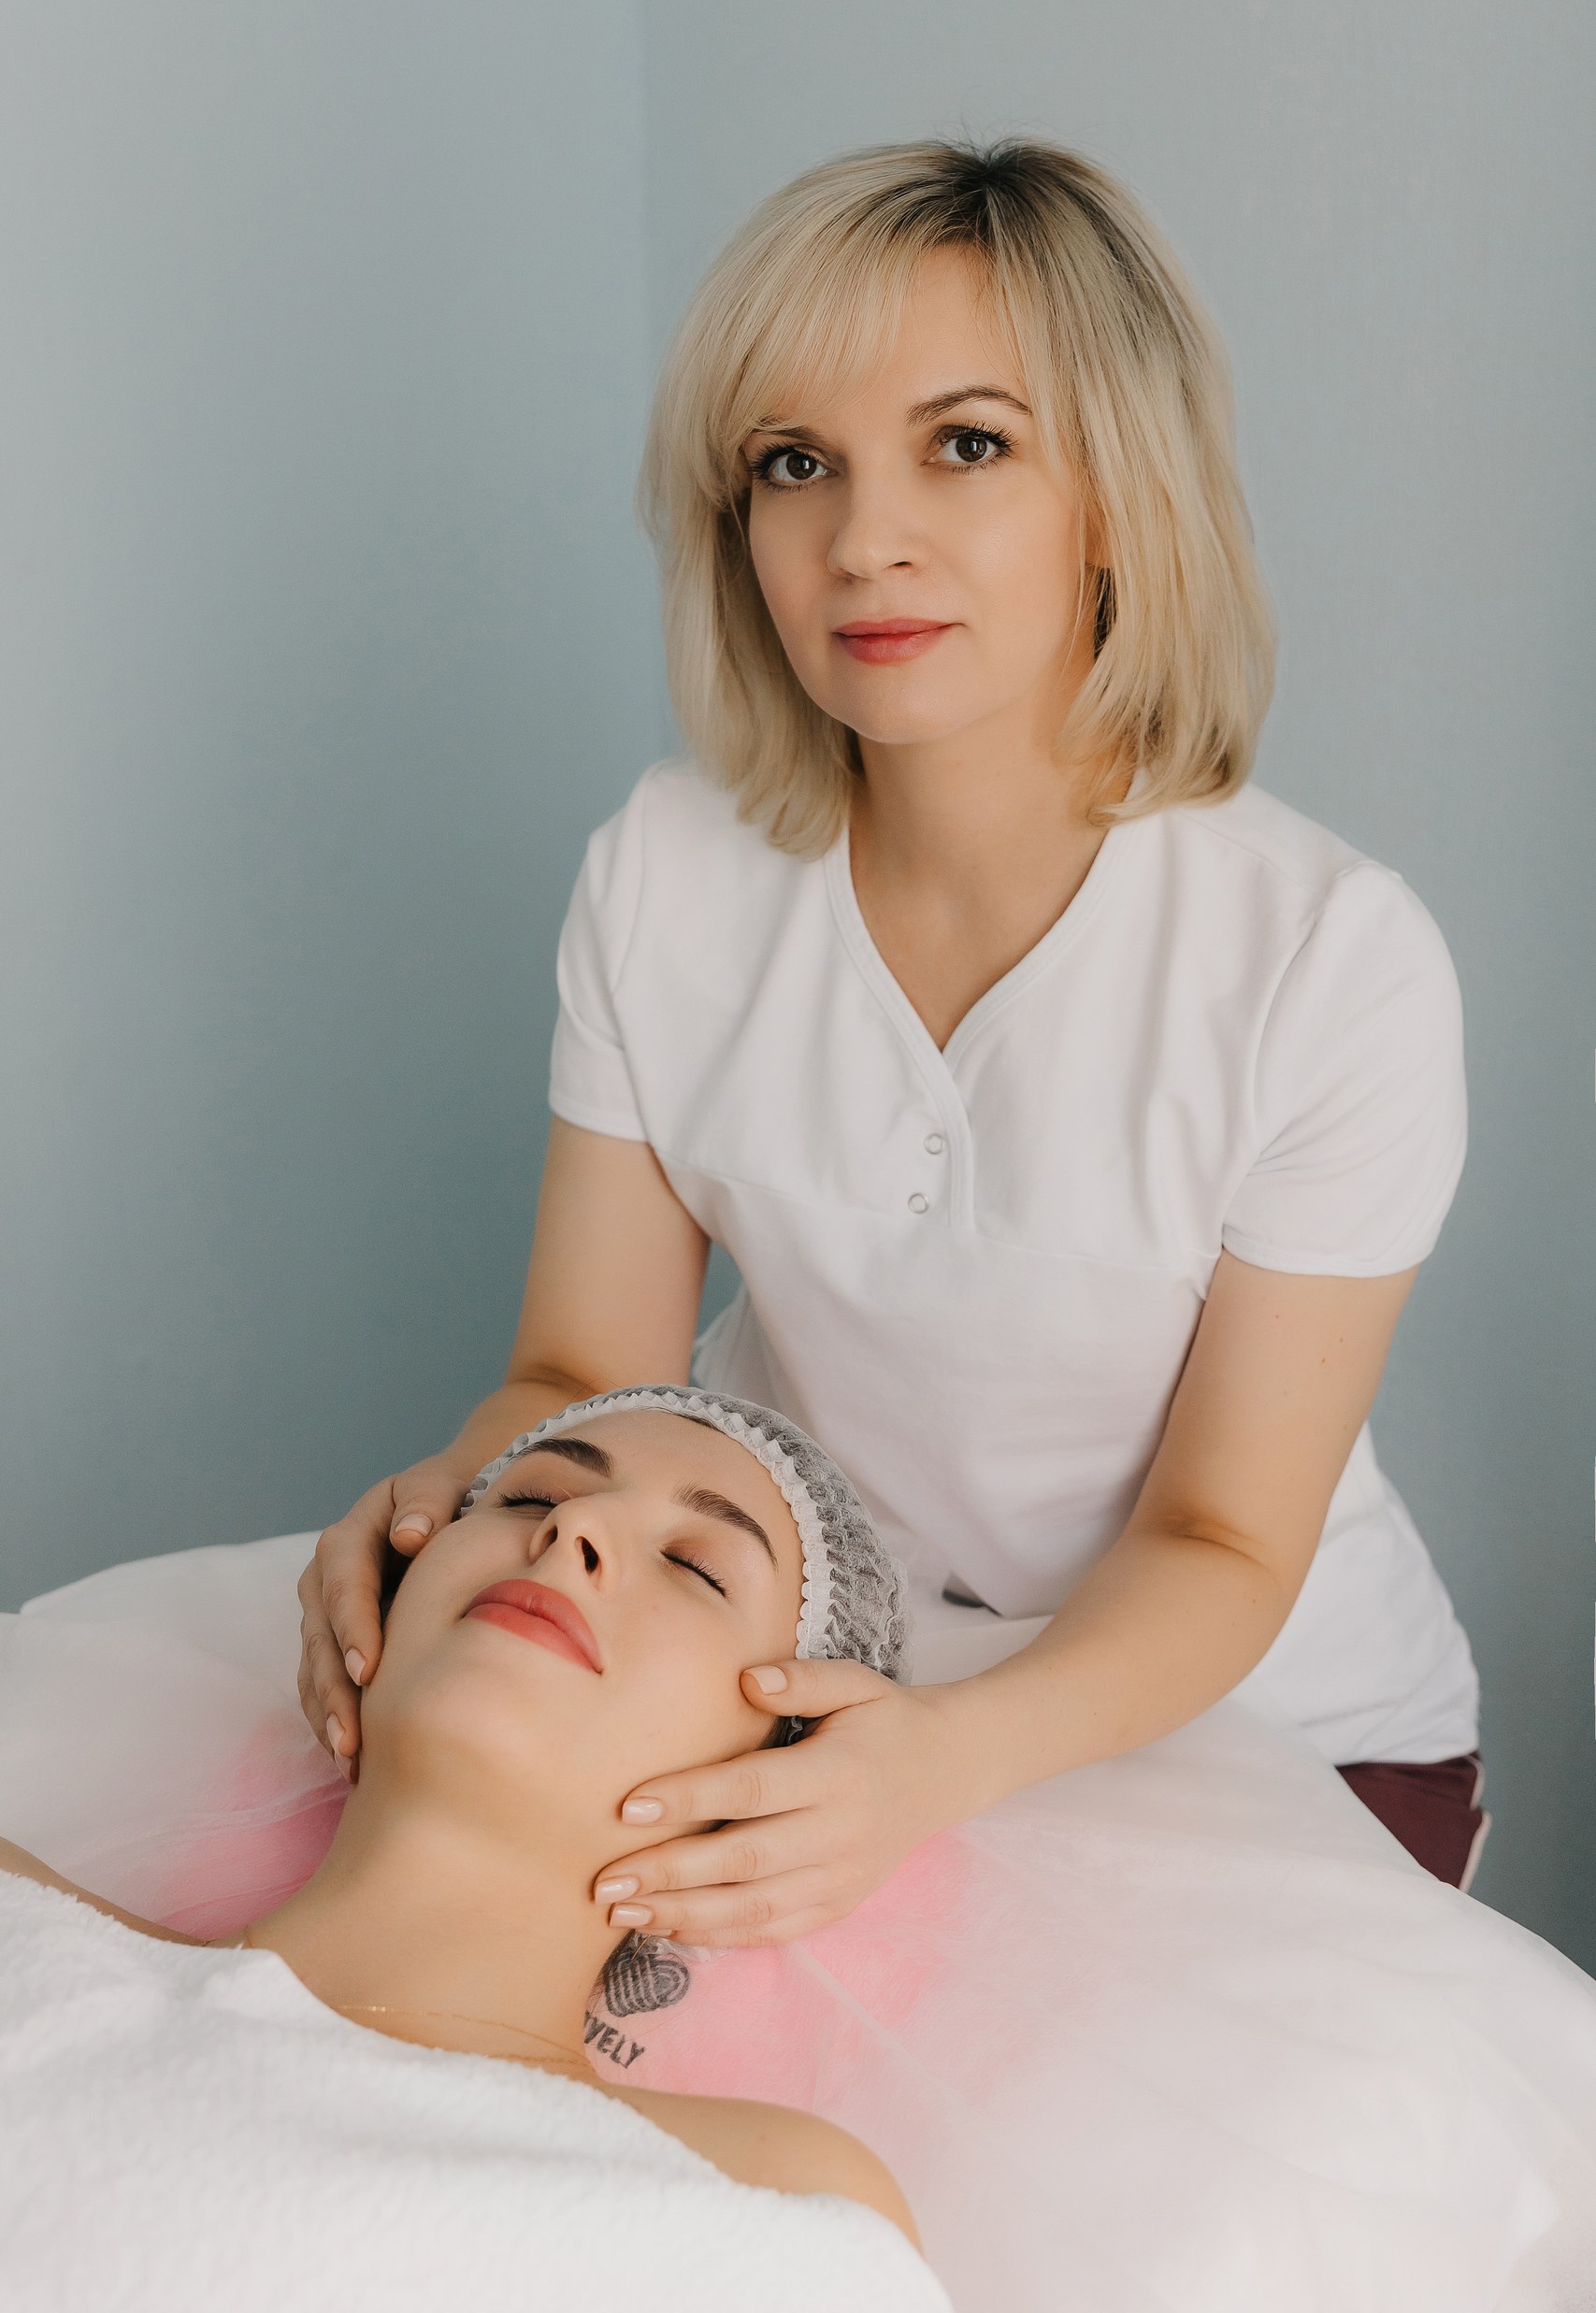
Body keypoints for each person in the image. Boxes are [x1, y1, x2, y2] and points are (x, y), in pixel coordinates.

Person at [299, 136, 1484, 1960]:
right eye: (794, 464)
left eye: (966, 444)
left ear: (1116, 495)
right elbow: (580, 1370)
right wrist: (455, 1509)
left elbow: (1223, 1538)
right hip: (815, 1683)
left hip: (1268, 1735)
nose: (862, 542)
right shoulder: (666, 871)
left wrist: (938, 1763)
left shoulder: (1329, 961)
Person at [0, 1391, 947, 2313]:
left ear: (782, 1780)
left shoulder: (767, 2197)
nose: (574, 1529)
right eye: (531, 1497)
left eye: (696, 1567)